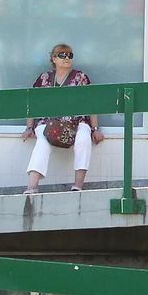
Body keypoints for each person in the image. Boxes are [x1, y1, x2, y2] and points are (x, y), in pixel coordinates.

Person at [23, 44, 106, 193]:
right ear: (54, 59)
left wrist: (95, 129)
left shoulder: (80, 77)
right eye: (62, 55)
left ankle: (77, 186)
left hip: (76, 122)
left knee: (83, 139)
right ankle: (32, 187)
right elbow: (32, 103)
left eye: (69, 55)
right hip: (48, 122)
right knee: (42, 142)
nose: (67, 58)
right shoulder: (45, 78)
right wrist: (29, 128)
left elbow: (91, 103)